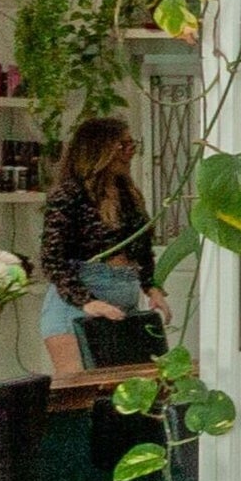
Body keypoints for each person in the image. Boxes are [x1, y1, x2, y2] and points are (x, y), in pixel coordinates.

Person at [40, 117, 166, 372]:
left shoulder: (127, 193)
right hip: (81, 297)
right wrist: (86, 301)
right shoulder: (69, 195)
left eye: (132, 145)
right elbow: (53, 259)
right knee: (81, 393)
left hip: (124, 298)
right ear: (100, 150)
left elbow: (140, 248)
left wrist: (151, 286)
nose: (130, 153)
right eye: (123, 145)